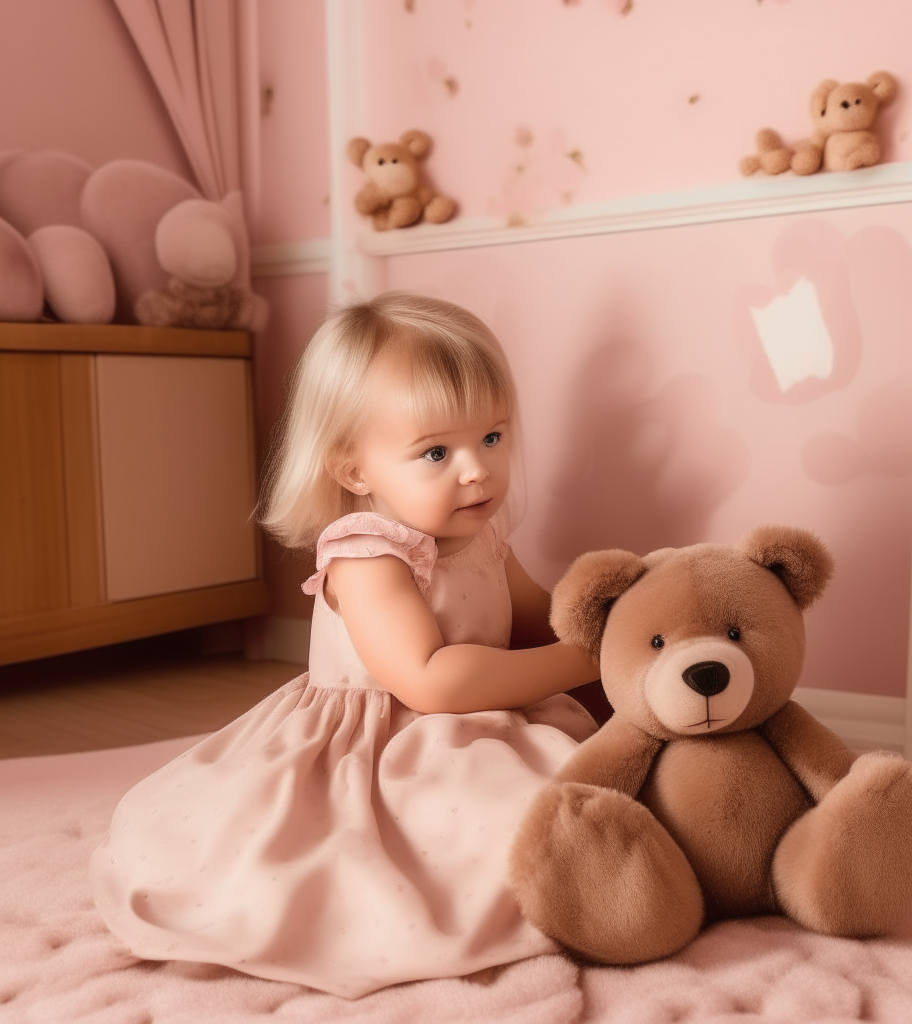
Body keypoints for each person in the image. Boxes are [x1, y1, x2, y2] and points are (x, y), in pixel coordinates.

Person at [89, 292, 601, 999]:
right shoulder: (367, 557)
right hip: (382, 748)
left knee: (588, 781)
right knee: (492, 839)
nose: (477, 469)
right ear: (355, 470)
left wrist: (614, 623)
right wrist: (581, 661)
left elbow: (539, 620)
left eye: (492, 437)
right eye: (436, 452)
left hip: (479, 723)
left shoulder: (482, 536)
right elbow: (429, 682)